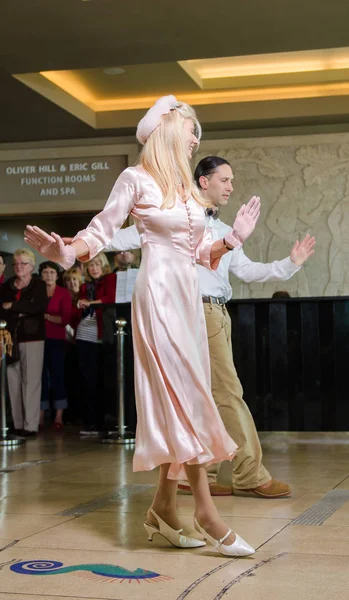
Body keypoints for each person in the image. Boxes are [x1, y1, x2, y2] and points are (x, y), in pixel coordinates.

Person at [24, 95, 261, 557]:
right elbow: (101, 230)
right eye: (192, 130)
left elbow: (197, 254)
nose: (196, 139)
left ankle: (163, 511)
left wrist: (232, 240)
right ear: (168, 131)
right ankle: (207, 513)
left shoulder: (188, 192)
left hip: (188, 298)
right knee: (186, 395)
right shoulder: (135, 179)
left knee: (186, 396)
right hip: (157, 298)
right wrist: (67, 253)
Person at [102, 155, 316, 499]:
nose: (231, 186)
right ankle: (249, 474)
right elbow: (123, 236)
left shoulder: (221, 229)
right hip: (196, 312)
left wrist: (290, 264)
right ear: (204, 181)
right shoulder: (177, 218)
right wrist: (78, 243)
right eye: (225, 180)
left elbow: (246, 271)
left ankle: (199, 473)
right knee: (228, 394)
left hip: (216, 313)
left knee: (208, 397)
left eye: (232, 180)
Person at [0, 249, 48, 437]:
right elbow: (1, 310)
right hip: (10, 337)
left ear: (32, 266)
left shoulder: (38, 284)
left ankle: (30, 425)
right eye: (16, 264)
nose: (19, 267)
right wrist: (21, 309)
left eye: (23, 263)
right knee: (13, 379)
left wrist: (12, 306)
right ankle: (18, 423)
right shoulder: (6, 286)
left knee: (32, 381)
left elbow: (38, 307)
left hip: (33, 337)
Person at [72, 252, 116, 435]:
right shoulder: (85, 286)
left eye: (97, 264)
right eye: (91, 265)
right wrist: (80, 304)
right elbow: (79, 308)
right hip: (84, 335)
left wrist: (90, 303)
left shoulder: (110, 278)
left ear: (103, 265)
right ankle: (89, 422)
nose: (94, 268)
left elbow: (110, 299)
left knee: (102, 381)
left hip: (102, 336)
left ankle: (102, 422)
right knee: (86, 381)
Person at [39, 260, 72, 431]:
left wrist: (45, 317)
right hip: (38, 339)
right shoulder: (36, 292)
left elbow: (65, 319)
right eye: (45, 272)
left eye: (52, 272)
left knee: (58, 376)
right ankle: (40, 415)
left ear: (57, 275)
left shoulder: (63, 293)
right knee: (41, 378)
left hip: (57, 340)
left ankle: (59, 416)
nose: (48, 275)